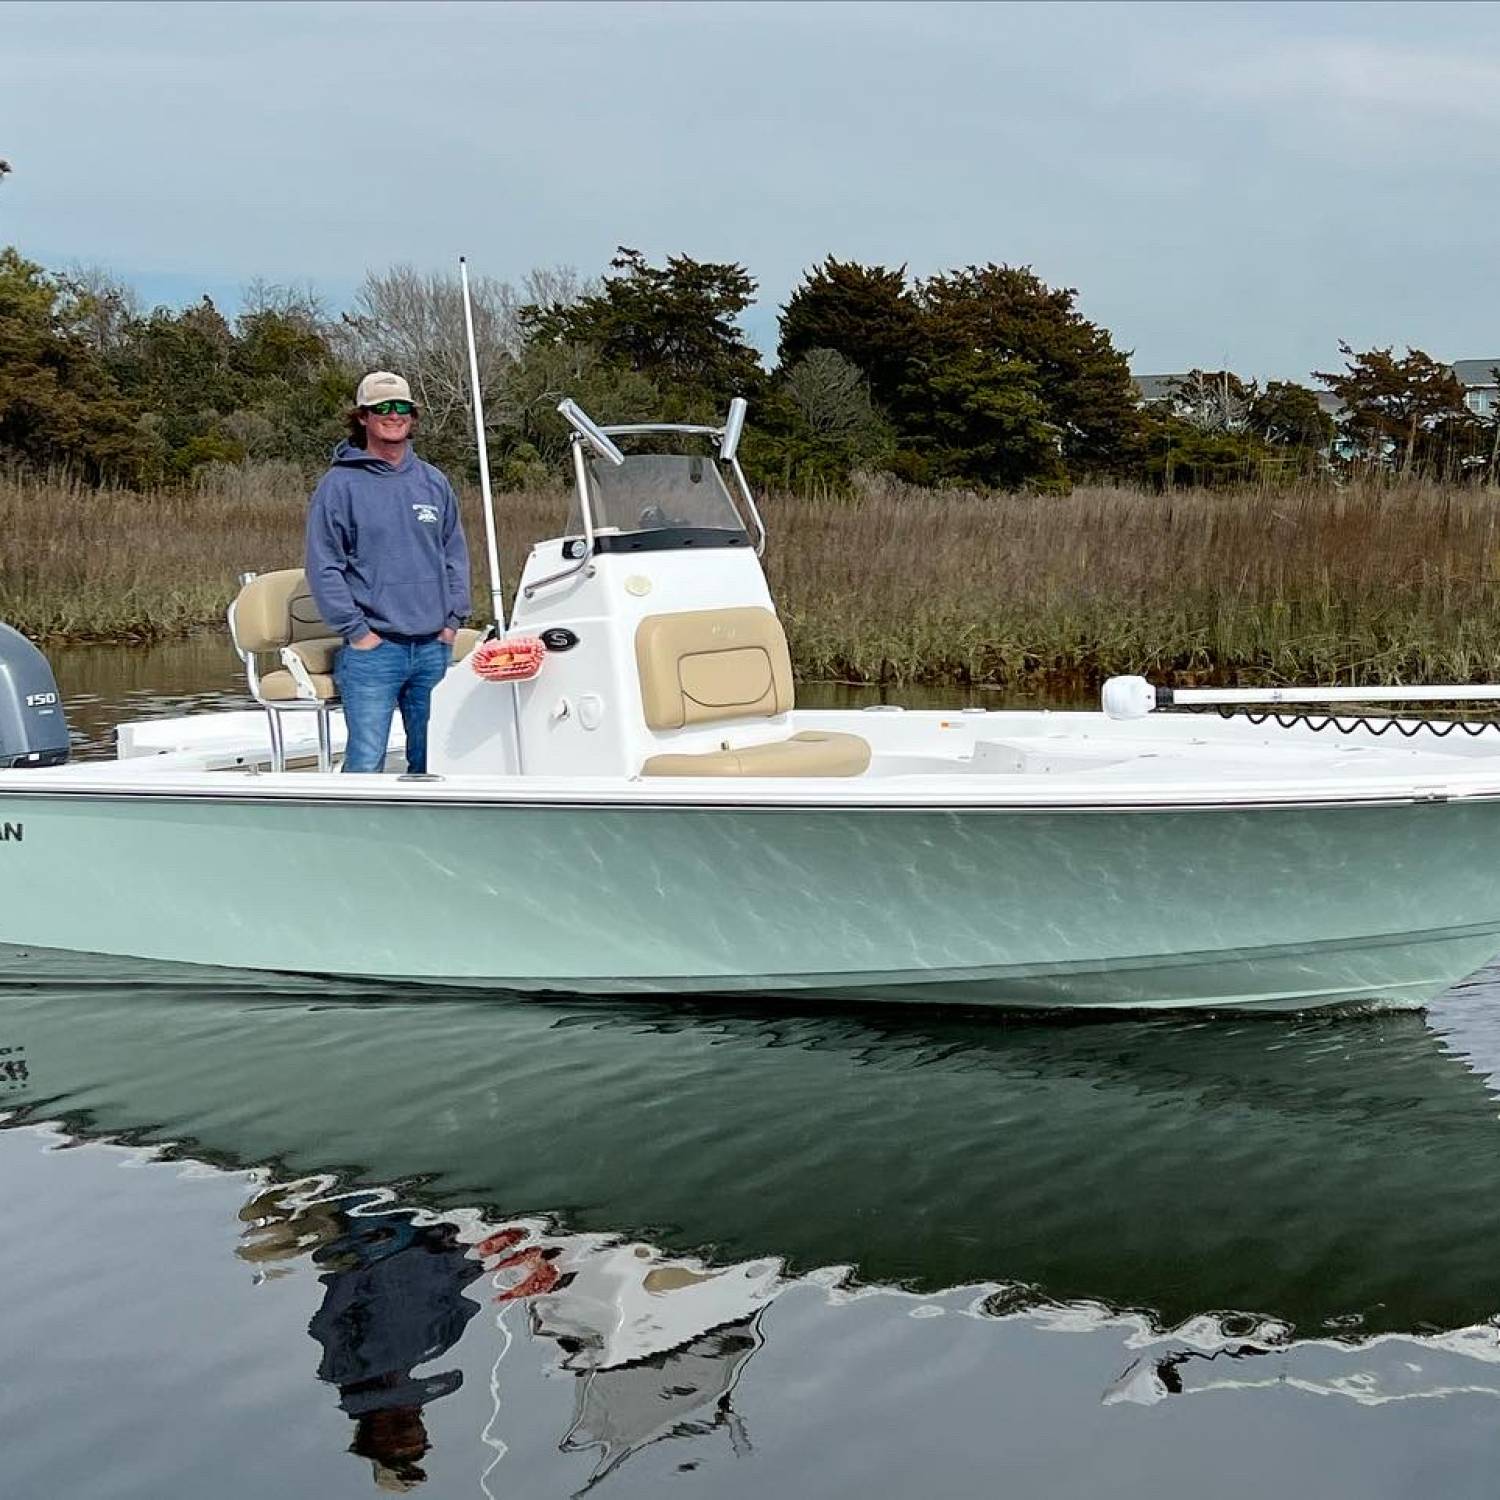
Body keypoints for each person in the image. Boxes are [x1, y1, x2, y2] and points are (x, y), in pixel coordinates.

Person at [306, 371, 470, 774]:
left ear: (411, 416)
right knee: (365, 762)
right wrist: (359, 634)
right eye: (381, 408)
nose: (392, 415)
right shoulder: (338, 485)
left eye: (401, 407)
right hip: (372, 654)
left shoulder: (433, 481)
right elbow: (324, 566)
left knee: (436, 762)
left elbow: (455, 554)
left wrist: (453, 622)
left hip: (435, 648)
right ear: (362, 417)